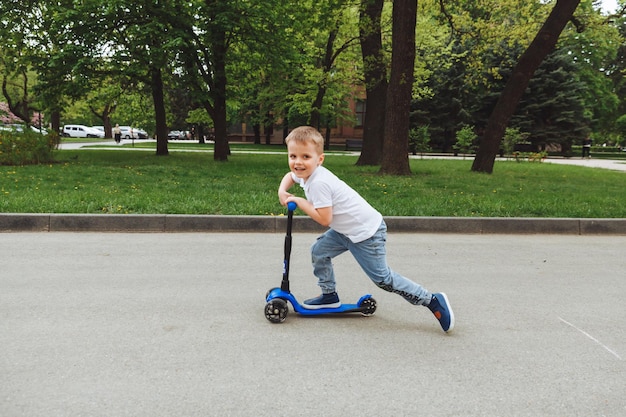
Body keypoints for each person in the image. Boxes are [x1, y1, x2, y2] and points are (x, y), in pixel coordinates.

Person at [277, 126, 454, 333]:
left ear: (320, 159)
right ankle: (329, 296)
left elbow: (324, 219)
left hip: (366, 233)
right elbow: (290, 176)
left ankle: (432, 300)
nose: (298, 162)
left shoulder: (319, 183)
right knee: (319, 251)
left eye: (305, 156)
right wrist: (282, 190)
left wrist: (298, 200)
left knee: (383, 279)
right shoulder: (305, 172)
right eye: (293, 156)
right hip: (346, 230)